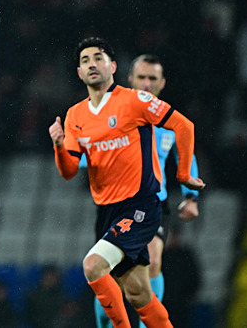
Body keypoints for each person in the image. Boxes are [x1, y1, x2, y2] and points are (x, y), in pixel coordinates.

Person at [48, 37, 205, 328]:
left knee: (94, 265)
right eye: (85, 60)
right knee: (136, 293)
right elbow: (69, 170)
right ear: (79, 74)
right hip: (109, 210)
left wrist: (185, 182)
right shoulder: (75, 116)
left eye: (99, 57)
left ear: (114, 67)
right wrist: (59, 146)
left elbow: (184, 127)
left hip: (143, 204)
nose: (92, 63)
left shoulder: (136, 102)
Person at [90, 54, 201, 328]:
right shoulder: (111, 115)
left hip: (152, 205)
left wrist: (191, 197)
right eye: (142, 77)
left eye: (153, 78)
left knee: (152, 261)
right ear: (130, 80)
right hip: (115, 205)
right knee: (111, 275)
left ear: (162, 83)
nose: (147, 83)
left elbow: (188, 157)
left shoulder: (168, 122)